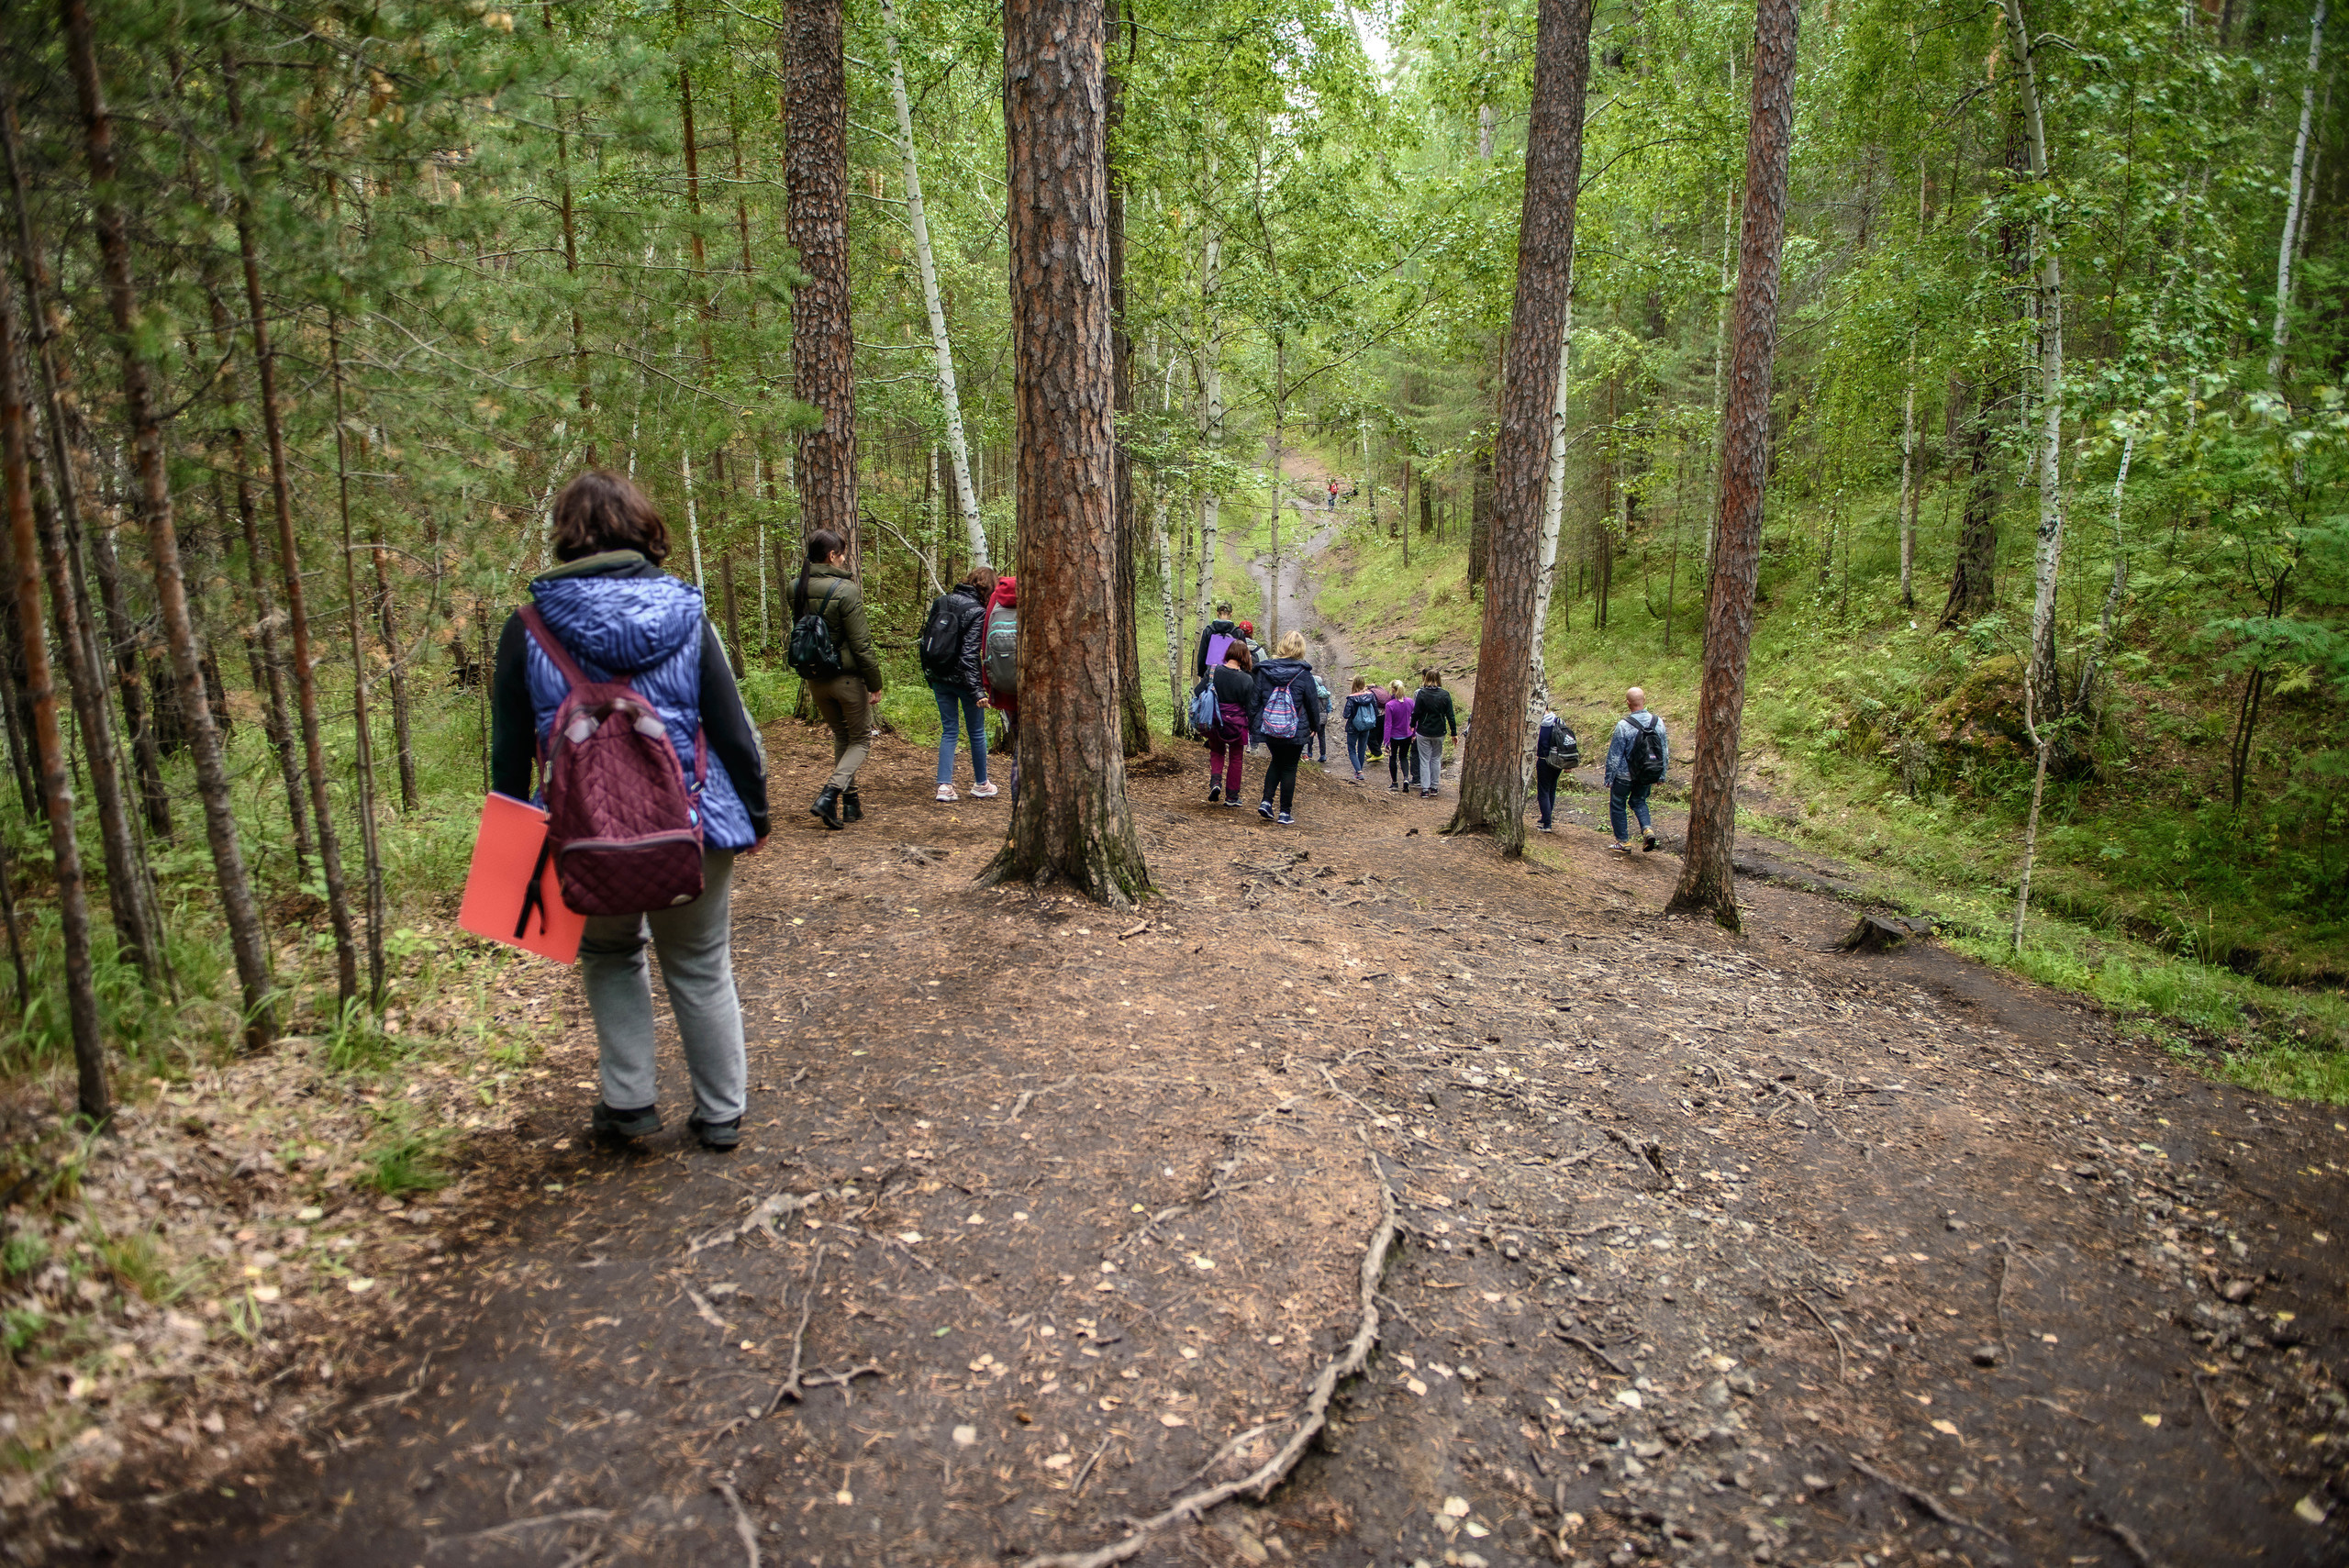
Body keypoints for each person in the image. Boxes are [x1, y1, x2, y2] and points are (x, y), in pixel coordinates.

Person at [490, 470, 767, 1150]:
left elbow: (507, 752)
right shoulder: (685, 612)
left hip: (584, 830)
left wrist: (509, 854)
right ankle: (721, 1112)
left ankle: (630, 1103)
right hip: (694, 820)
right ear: (645, 528)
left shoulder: (526, 628)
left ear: (566, 535)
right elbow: (730, 730)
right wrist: (755, 814)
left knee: (611, 955)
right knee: (701, 962)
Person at [790, 530, 885, 829]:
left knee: (843, 737)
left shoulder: (796, 587)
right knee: (860, 740)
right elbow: (861, 644)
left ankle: (852, 804)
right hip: (847, 679)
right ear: (832, 556)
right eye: (842, 553)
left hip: (815, 678)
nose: (845, 558)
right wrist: (874, 681)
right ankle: (829, 795)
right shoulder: (845, 591)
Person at [919, 566, 999, 803]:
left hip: (939, 677)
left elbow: (926, 641)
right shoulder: (977, 611)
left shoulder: (941, 601)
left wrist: (930, 674)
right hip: (965, 682)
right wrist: (977, 690)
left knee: (949, 730)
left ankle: (944, 786)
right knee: (976, 732)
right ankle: (981, 783)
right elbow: (969, 655)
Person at [1250, 631, 1324, 825]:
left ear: (1282, 646)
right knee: (1290, 767)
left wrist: (1252, 725)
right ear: (1301, 648)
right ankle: (1285, 813)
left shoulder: (1263, 671)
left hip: (1271, 727)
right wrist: (1315, 726)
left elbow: (1255, 701)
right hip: (1296, 728)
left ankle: (1266, 802)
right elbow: (1312, 703)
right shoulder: (1304, 674)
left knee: (1276, 761)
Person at [1605, 686, 1669, 852]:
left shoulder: (1623, 725)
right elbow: (1663, 750)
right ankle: (1647, 829)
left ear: (1628, 703)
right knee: (1639, 800)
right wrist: (1661, 775)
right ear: (1644, 700)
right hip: (1646, 772)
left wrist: (1609, 777)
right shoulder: (1658, 722)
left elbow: (1615, 755)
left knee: (1618, 804)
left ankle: (1623, 842)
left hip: (1624, 775)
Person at [979, 573, 1019, 800]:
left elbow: (985, 642)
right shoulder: (1046, 591)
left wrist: (989, 685)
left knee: (1021, 750)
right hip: (1039, 688)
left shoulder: (998, 594)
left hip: (1005, 686)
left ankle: (1018, 814)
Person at [1202, 642, 1254, 806]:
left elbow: (1198, 691)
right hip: (1237, 724)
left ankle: (1216, 783)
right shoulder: (1247, 679)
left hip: (1215, 720)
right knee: (1236, 758)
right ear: (1245, 656)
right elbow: (1250, 706)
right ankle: (1232, 796)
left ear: (1228, 652)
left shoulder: (1213, 671)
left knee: (1217, 751)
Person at [1410, 668, 1457, 799]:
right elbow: (1450, 715)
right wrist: (1454, 732)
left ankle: (1425, 789)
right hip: (1439, 731)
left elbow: (1416, 712)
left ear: (1426, 679)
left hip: (1423, 731)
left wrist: (1412, 726)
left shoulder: (1422, 694)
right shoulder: (1445, 694)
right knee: (1436, 758)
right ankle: (1434, 787)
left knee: (1424, 760)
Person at [1533, 708, 1578, 832]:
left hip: (1544, 760)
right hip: (1558, 760)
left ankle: (1547, 824)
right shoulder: (1558, 721)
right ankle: (1546, 818)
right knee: (1551, 789)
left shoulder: (1537, 723)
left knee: (1543, 791)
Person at [1342, 677, 1382, 784]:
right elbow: (1376, 711)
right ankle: (1359, 771)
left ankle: (1359, 772)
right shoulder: (1370, 696)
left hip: (1353, 727)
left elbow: (1346, 715)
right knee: (1362, 748)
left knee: (1351, 749)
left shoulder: (1351, 698)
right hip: (1366, 726)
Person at [1194, 599, 1241, 678]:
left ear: (1217, 613)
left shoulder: (1208, 631)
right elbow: (1243, 657)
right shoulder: (1238, 633)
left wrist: (1202, 674)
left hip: (1212, 675)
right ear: (1231, 613)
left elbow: (1202, 655)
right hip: (1232, 677)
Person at [1384, 679, 1417, 792]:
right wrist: (1414, 732)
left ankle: (1394, 783)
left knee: (1393, 758)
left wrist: (1386, 741)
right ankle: (1406, 778)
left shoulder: (1390, 705)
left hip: (1394, 736)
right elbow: (1414, 719)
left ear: (1393, 689)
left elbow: (1388, 724)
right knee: (1403, 757)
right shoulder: (1410, 702)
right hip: (1407, 735)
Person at [1311, 673, 1332, 764]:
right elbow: (1329, 707)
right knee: (1322, 736)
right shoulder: (1326, 694)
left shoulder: (1313, 692)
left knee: (1310, 735)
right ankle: (1323, 755)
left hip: (1313, 717)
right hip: (1323, 717)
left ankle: (1309, 753)